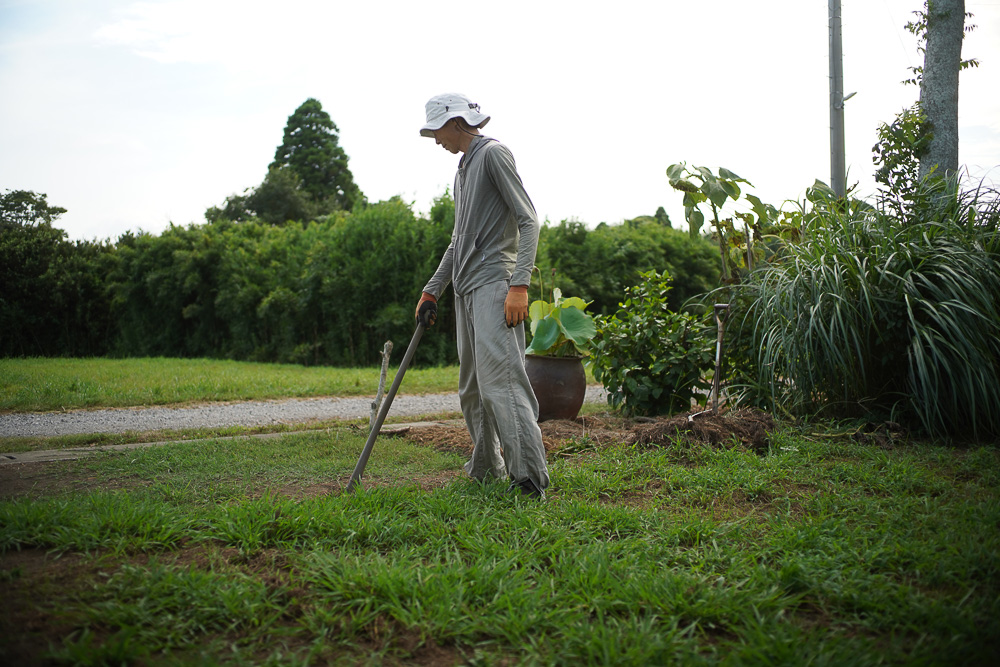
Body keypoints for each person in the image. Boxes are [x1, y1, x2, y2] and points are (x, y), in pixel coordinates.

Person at [414, 93, 548, 499]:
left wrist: (519, 285)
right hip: (467, 291)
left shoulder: (492, 154)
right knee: (472, 389)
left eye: (436, 129)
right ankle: (487, 469)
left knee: (503, 385)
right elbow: (458, 242)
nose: (435, 138)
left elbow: (529, 220)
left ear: (456, 123)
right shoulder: (461, 170)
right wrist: (432, 289)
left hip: (495, 286)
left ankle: (528, 479)